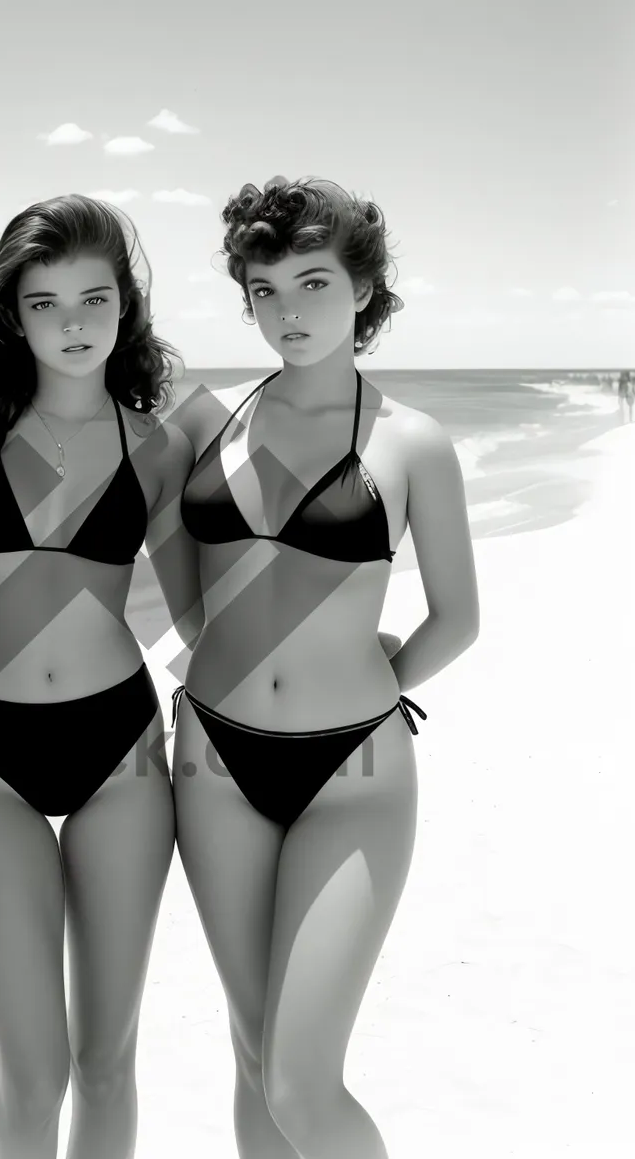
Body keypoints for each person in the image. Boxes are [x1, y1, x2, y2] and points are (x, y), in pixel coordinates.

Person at [172, 176, 480, 1159]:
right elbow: (180, 589)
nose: (287, 313)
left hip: (354, 772)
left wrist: (385, 674)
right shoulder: (203, 422)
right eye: (263, 290)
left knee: (304, 1085)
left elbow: (458, 618)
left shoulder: (411, 443)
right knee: (253, 1054)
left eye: (311, 283)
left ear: (363, 291)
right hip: (212, 760)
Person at [0, 194, 200, 1159]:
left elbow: (199, 615)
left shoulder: (158, 446)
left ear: (128, 306)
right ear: (15, 313)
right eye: (45, 304)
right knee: (33, 1073)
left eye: (95, 299)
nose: (74, 324)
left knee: (107, 1061)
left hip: (120, 746)